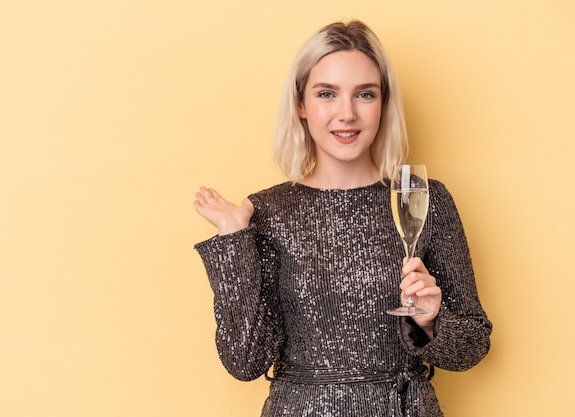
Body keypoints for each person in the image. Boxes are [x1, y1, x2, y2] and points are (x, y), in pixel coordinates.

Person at [193, 19, 492, 417]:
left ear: (383, 103)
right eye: (327, 94)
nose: (346, 113)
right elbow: (245, 362)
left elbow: (471, 345)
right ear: (301, 104)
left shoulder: (422, 198)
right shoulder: (264, 212)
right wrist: (234, 241)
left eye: (364, 94)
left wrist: (428, 322)